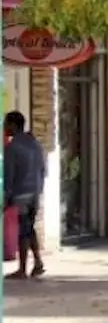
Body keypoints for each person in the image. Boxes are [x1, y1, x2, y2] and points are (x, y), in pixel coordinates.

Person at [4, 112, 45, 278]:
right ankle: (37, 262)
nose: (4, 127)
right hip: (35, 192)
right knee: (29, 228)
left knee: (23, 230)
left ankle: (22, 269)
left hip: (21, 193)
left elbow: (9, 175)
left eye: (6, 124)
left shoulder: (12, 147)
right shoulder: (35, 144)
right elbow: (43, 169)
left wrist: (7, 197)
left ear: (13, 125)